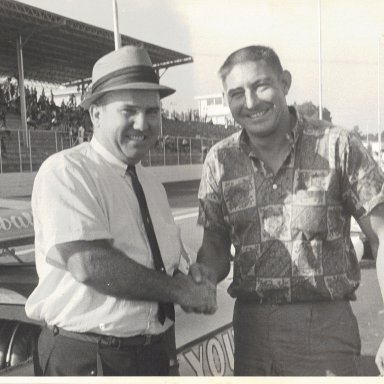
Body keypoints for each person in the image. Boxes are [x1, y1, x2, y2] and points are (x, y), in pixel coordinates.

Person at [192, 45, 384, 376]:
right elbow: (215, 245)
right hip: (251, 332)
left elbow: (381, 236)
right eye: (237, 93)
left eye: (261, 86)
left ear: (285, 82)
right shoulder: (219, 160)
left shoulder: (338, 146)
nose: (250, 102)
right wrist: (204, 275)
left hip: (325, 330)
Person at [25, 45, 217, 376]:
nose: (142, 124)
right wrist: (179, 290)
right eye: (128, 111)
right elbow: (90, 264)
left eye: (152, 112)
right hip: (89, 356)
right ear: (95, 114)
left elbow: (160, 266)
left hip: (149, 354)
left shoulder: (152, 184)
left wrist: (191, 278)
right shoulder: (67, 171)